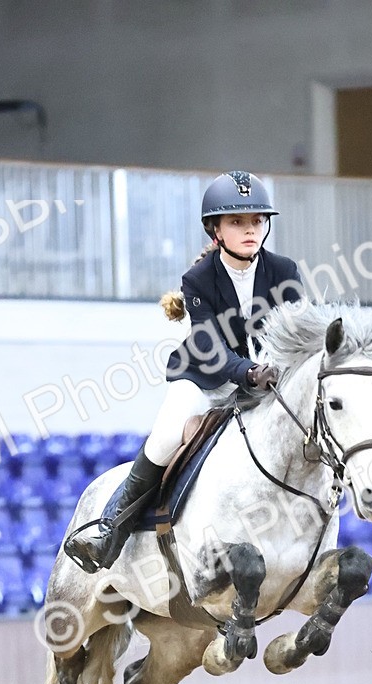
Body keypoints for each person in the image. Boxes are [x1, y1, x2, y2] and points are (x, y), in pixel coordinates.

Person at [65, 170, 303, 574]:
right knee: (165, 437)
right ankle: (110, 530)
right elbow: (210, 346)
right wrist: (249, 372)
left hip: (266, 381)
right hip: (206, 378)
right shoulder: (198, 279)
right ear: (215, 229)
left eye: (257, 221)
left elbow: (298, 331)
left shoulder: (284, 271)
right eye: (237, 222)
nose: (250, 230)